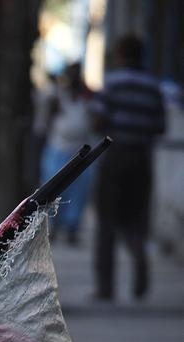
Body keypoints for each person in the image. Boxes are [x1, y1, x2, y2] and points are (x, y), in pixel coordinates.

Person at [90, 34, 166, 299]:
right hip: (142, 159)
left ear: (120, 55)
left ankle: (105, 286)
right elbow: (161, 126)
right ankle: (140, 264)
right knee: (135, 220)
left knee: (107, 220)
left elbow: (98, 122)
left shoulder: (112, 83)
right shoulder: (152, 86)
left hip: (116, 156)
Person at [40, 62, 94, 244]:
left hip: (79, 151)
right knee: (54, 190)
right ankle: (53, 227)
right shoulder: (57, 97)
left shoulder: (86, 98)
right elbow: (46, 121)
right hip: (58, 149)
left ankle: (72, 228)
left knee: (77, 193)